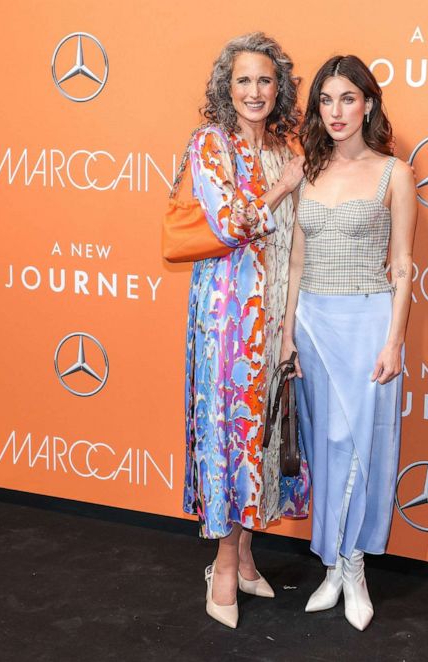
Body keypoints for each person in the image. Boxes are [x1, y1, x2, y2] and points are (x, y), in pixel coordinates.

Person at [171, 32, 310, 629]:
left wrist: (288, 328)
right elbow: (232, 223)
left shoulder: (286, 149)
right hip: (226, 322)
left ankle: (248, 553)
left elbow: (299, 245)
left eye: (265, 80)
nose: (255, 92)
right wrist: (284, 186)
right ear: (226, 89)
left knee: (260, 437)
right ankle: (224, 564)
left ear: (279, 89)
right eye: (243, 81)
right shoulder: (211, 145)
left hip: (275, 318)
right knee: (229, 436)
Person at [281, 54, 417, 631]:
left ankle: (354, 565)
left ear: (369, 104)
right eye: (326, 100)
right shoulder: (305, 173)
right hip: (312, 320)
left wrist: (395, 341)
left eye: (348, 99)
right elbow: (294, 262)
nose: (336, 112)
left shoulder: (395, 174)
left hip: (367, 322)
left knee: (361, 445)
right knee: (327, 445)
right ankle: (333, 567)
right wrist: (286, 334)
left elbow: (405, 266)